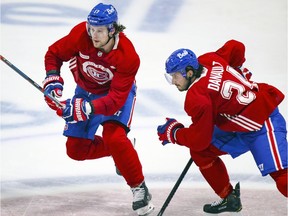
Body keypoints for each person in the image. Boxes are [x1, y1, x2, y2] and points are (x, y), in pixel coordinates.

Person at [42, 3, 154, 216]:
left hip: (115, 95)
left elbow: (115, 100)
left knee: (115, 138)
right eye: (91, 28)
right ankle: (123, 153)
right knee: (75, 150)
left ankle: (139, 188)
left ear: (113, 30)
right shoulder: (80, 35)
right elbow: (53, 54)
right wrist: (52, 78)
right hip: (85, 90)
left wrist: (86, 108)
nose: (94, 34)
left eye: (100, 30)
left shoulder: (128, 55)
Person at [157, 40, 287, 214]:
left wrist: (175, 133)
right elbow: (236, 46)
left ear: (189, 72)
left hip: (262, 120)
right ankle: (229, 198)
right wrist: (237, 70)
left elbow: (199, 139)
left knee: (283, 179)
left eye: (175, 76)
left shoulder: (196, 97)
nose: (173, 81)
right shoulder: (208, 59)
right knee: (201, 153)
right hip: (237, 124)